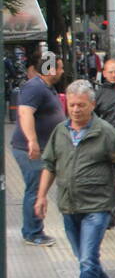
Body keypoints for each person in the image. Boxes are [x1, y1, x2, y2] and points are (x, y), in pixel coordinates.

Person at [36, 79, 115, 278]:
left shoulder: (106, 133)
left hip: (98, 206)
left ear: (92, 105)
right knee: (83, 256)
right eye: (72, 105)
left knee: (87, 257)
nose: (75, 109)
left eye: (81, 105)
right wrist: (41, 196)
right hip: (68, 205)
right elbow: (49, 165)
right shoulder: (60, 132)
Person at [11, 52, 65, 246]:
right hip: (30, 150)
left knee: (37, 188)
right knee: (35, 189)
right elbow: (25, 113)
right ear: (50, 69)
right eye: (59, 67)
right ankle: (32, 232)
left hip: (41, 148)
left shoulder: (45, 88)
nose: (62, 71)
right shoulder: (35, 87)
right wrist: (32, 141)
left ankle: (34, 230)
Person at [93, 58, 115, 132]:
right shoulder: (98, 94)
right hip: (107, 135)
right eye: (111, 72)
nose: (114, 75)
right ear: (104, 74)